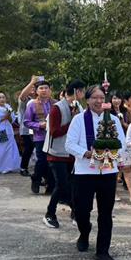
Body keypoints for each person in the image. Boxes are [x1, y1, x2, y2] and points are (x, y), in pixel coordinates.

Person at [65, 85, 126, 260]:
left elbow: (122, 144)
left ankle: (103, 251)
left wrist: (110, 153)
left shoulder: (113, 120)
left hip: (108, 172)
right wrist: (87, 153)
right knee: (82, 210)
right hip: (85, 171)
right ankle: (84, 232)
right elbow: (69, 144)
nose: (99, 101)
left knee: (105, 212)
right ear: (88, 100)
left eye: (102, 98)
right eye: (95, 98)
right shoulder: (78, 120)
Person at [43, 79, 85, 229]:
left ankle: (75, 213)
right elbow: (54, 132)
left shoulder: (78, 107)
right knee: (61, 185)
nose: (83, 94)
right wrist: (72, 122)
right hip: (57, 153)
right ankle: (50, 214)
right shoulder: (57, 108)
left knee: (74, 185)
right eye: (82, 91)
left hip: (71, 153)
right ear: (76, 91)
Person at [24, 80, 56, 194]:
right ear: (36, 91)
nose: (44, 90)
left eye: (46, 88)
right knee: (42, 160)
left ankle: (51, 185)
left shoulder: (55, 103)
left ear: (50, 90)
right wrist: (38, 125)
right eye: (41, 88)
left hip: (54, 137)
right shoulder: (32, 104)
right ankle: (36, 178)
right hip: (40, 137)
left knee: (52, 162)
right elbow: (26, 122)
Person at [0, 92, 21, 174]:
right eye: (0, 97)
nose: (2, 99)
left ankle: (11, 166)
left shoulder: (8, 106)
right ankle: (1, 167)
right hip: (0, 131)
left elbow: (12, 120)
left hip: (8, 130)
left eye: (3, 97)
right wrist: (4, 117)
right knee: (2, 150)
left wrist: (9, 116)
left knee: (10, 149)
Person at [17, 76, 38, 177]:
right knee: (28, 148)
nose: (33, 90)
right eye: (31, 88)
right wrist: (32, 82)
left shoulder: (39, 100)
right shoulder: (25, 101)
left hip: (38, 128)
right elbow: (22, 95)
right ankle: (23, 167)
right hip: (27, 129)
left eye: (34, 88)